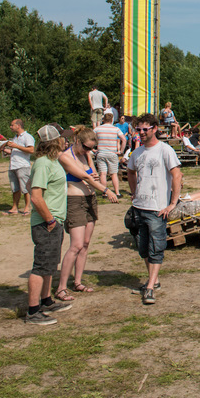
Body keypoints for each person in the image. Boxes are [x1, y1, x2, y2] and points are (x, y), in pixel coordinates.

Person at [55, 127, 119, 302]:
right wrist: (107, 191)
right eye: (86, 147)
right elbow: (87, 177)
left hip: (90, 200)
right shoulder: (65, 157)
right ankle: (61, 287)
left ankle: (77, 282)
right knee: (75, 245)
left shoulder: (86, 154)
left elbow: (94, 173)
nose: (88, 151)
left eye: (91, 148)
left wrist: (91, 162)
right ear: (77, 141)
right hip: (75, 202)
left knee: (85, 243)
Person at [127, 113, 182, 305]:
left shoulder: (164, 150)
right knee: (143, 248)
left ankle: (150, 287)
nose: (141, 133)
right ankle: (154, 279)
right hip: (139, 207)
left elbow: (177, 175)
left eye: (145, 129)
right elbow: (130, 171)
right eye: (138, 129)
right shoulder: (136, 153)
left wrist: (172, 203)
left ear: (155, 129)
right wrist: (133, 192)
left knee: (156, 248)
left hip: (157, 209)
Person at [24, 124, 75, 325]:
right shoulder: (43, 163)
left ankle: (46, 301)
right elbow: (35, 196)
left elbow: (29, 184)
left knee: (51, 264)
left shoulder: (52, 162)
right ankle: (33, 310)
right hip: (47, 223)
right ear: (55, 141)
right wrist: (50, 219)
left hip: (55, 221)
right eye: (63, 138)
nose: (66, 140)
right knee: (41, 265)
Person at [3, 119, 35, 215]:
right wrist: (3, 149)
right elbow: (14, 151)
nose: (10, 127)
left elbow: (31, 150)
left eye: (12, 125)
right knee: (15, 188)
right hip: (13, 165)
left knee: (25, 188)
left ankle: (27, 207)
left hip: (22, 165)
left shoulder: (27, 137)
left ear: (18, 126)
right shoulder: (15, 138)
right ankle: (14, 207)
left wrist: (16, 146)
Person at [95, 112, 127, 198]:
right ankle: (117, 192)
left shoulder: (98, 129)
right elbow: (124, 139)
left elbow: (90, 138)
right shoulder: (115, 129)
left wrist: (93, 149)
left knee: (103, 174)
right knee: (114, 174)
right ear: (112, 120)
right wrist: (121, 151)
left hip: (101, 153)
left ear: (103, 119)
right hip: (112, 153)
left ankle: (104, 192)